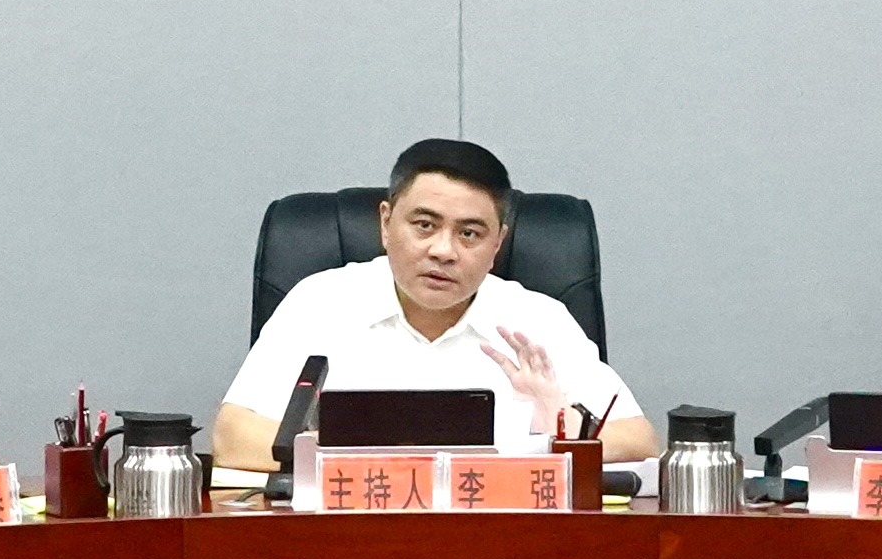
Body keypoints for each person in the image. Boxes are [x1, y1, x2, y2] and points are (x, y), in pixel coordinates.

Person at [217, 138, 651, 472]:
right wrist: (379, 452)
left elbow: (638, 440)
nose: (443, 251)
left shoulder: (537, 319)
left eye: (469, 234)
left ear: (498, 243)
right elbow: (232, 438)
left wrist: (557, 426)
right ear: (386, 223)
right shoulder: (321, 302)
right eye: (424, 225)